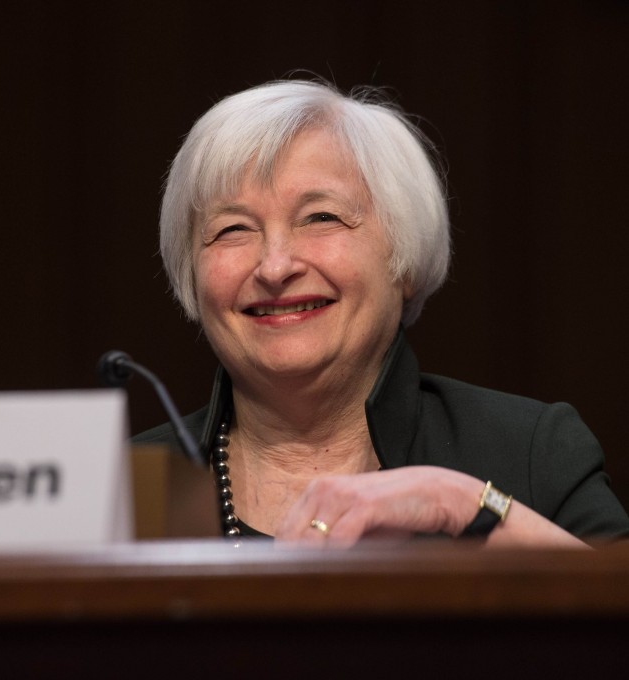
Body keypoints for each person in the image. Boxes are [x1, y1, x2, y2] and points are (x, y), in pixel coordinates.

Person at [134, 79, 629, 546]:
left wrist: (463, 506)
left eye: (321, 217)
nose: (275, 266)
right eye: (233, 229)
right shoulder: (123, 486)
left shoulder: (530, 450)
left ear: (404, 259)